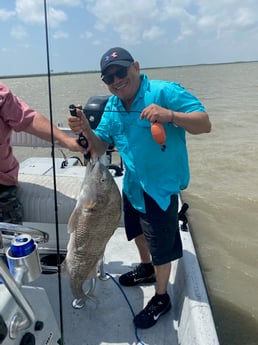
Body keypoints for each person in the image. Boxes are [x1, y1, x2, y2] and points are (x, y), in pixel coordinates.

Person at [68, 47, 211, 329]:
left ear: (135, 66)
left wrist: (169, 115)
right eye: (109, 77)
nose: (116, 80)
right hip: (132, 185)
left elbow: (204, 124)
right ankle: (145, 269)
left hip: (160, 187)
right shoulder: (112, 106)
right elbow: (99, 147)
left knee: (161, 246)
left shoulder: (164, 92)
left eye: (121, 72)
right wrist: (85, 128)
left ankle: (161, 297)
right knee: (137, 233)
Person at [0, 82, 85, 225]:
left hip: (2, 189)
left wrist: (67, 141)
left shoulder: (2, 94)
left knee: (10, 243)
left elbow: (27, 120)